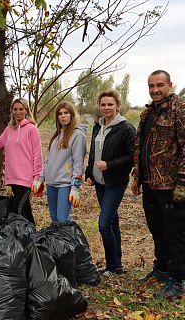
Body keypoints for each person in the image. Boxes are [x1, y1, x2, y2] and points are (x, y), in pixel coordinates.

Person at [131, 70, 185, 298]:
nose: (155, 90)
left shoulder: (179, 109)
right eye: (151, 86)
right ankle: (162, 269)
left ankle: (177, 279)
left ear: (170, 84)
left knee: (176, 232)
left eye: (159, 85)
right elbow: (139, 146)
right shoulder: (147, 113)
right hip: (148, 183)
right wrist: (136, 177)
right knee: (157, 229)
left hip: (171, 186)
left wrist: (183, 181)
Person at [84, 89, 136, 279]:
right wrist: (89, 172)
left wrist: (109, 165)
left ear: (117, 106)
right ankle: (117, 264)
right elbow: (93, 151)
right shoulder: (98, 126)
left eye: (110, 105)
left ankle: (111, 268)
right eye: (103, 104)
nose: (106, 108)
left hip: (115, 182)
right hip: (99, 182)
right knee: (113, 223)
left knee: (104, 225)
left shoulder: (126, 128)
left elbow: (131, 157)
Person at [33, 101, 88, 222]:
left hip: (65, 185)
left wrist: (75, 187)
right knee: (54, 219)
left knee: (62, 220)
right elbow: (48, 160)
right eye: (60, 114)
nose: (63, 116)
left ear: (72, 115)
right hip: (51, 184)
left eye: (66, 113)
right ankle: (57, 241)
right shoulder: (56, 135)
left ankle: (68, 241)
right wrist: (40, 179)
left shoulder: (78, 136)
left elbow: (79, 164)